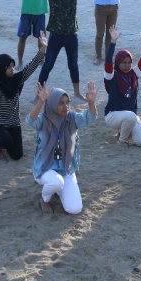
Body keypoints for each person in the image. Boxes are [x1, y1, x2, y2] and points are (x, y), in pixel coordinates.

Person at [27, 81, 97, 214]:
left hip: (66, 169)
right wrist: (41, 102)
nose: (65, 106)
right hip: (45, 168)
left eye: (67, 102)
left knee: (75, 209)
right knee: (56, 182)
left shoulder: (71, 118)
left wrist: (91, 103)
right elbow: (31, 120)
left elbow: (90, 117)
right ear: (52, 104)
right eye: (61, 103)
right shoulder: (44, 120)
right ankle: (44, 199)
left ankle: (57, 189)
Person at [38, 0, 96, 98]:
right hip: (56, 35)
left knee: (73, 65)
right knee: (48, 65)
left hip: (71, 35)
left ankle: (77, 93)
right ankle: (39, 93)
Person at [0, 33, 46, 160]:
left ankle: (5, 142)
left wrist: (43, 49)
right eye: (9, 67)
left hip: (14, 123)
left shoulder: (17, 79)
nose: (12, 69)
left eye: (13, 66)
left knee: (17, 155)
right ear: (1, 68)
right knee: (6, 141)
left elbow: (31, 67)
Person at [104, 26, 141, 146]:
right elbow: (108, 62)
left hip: (130, 116)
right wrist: (113, 41)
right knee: (131, 116)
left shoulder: (134, 74)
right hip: (113, 115)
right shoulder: (112, 75)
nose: (127, 65)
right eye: (124, 62)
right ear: (118, 63)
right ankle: (122, 140)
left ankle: (123, 131)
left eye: (129, 62)